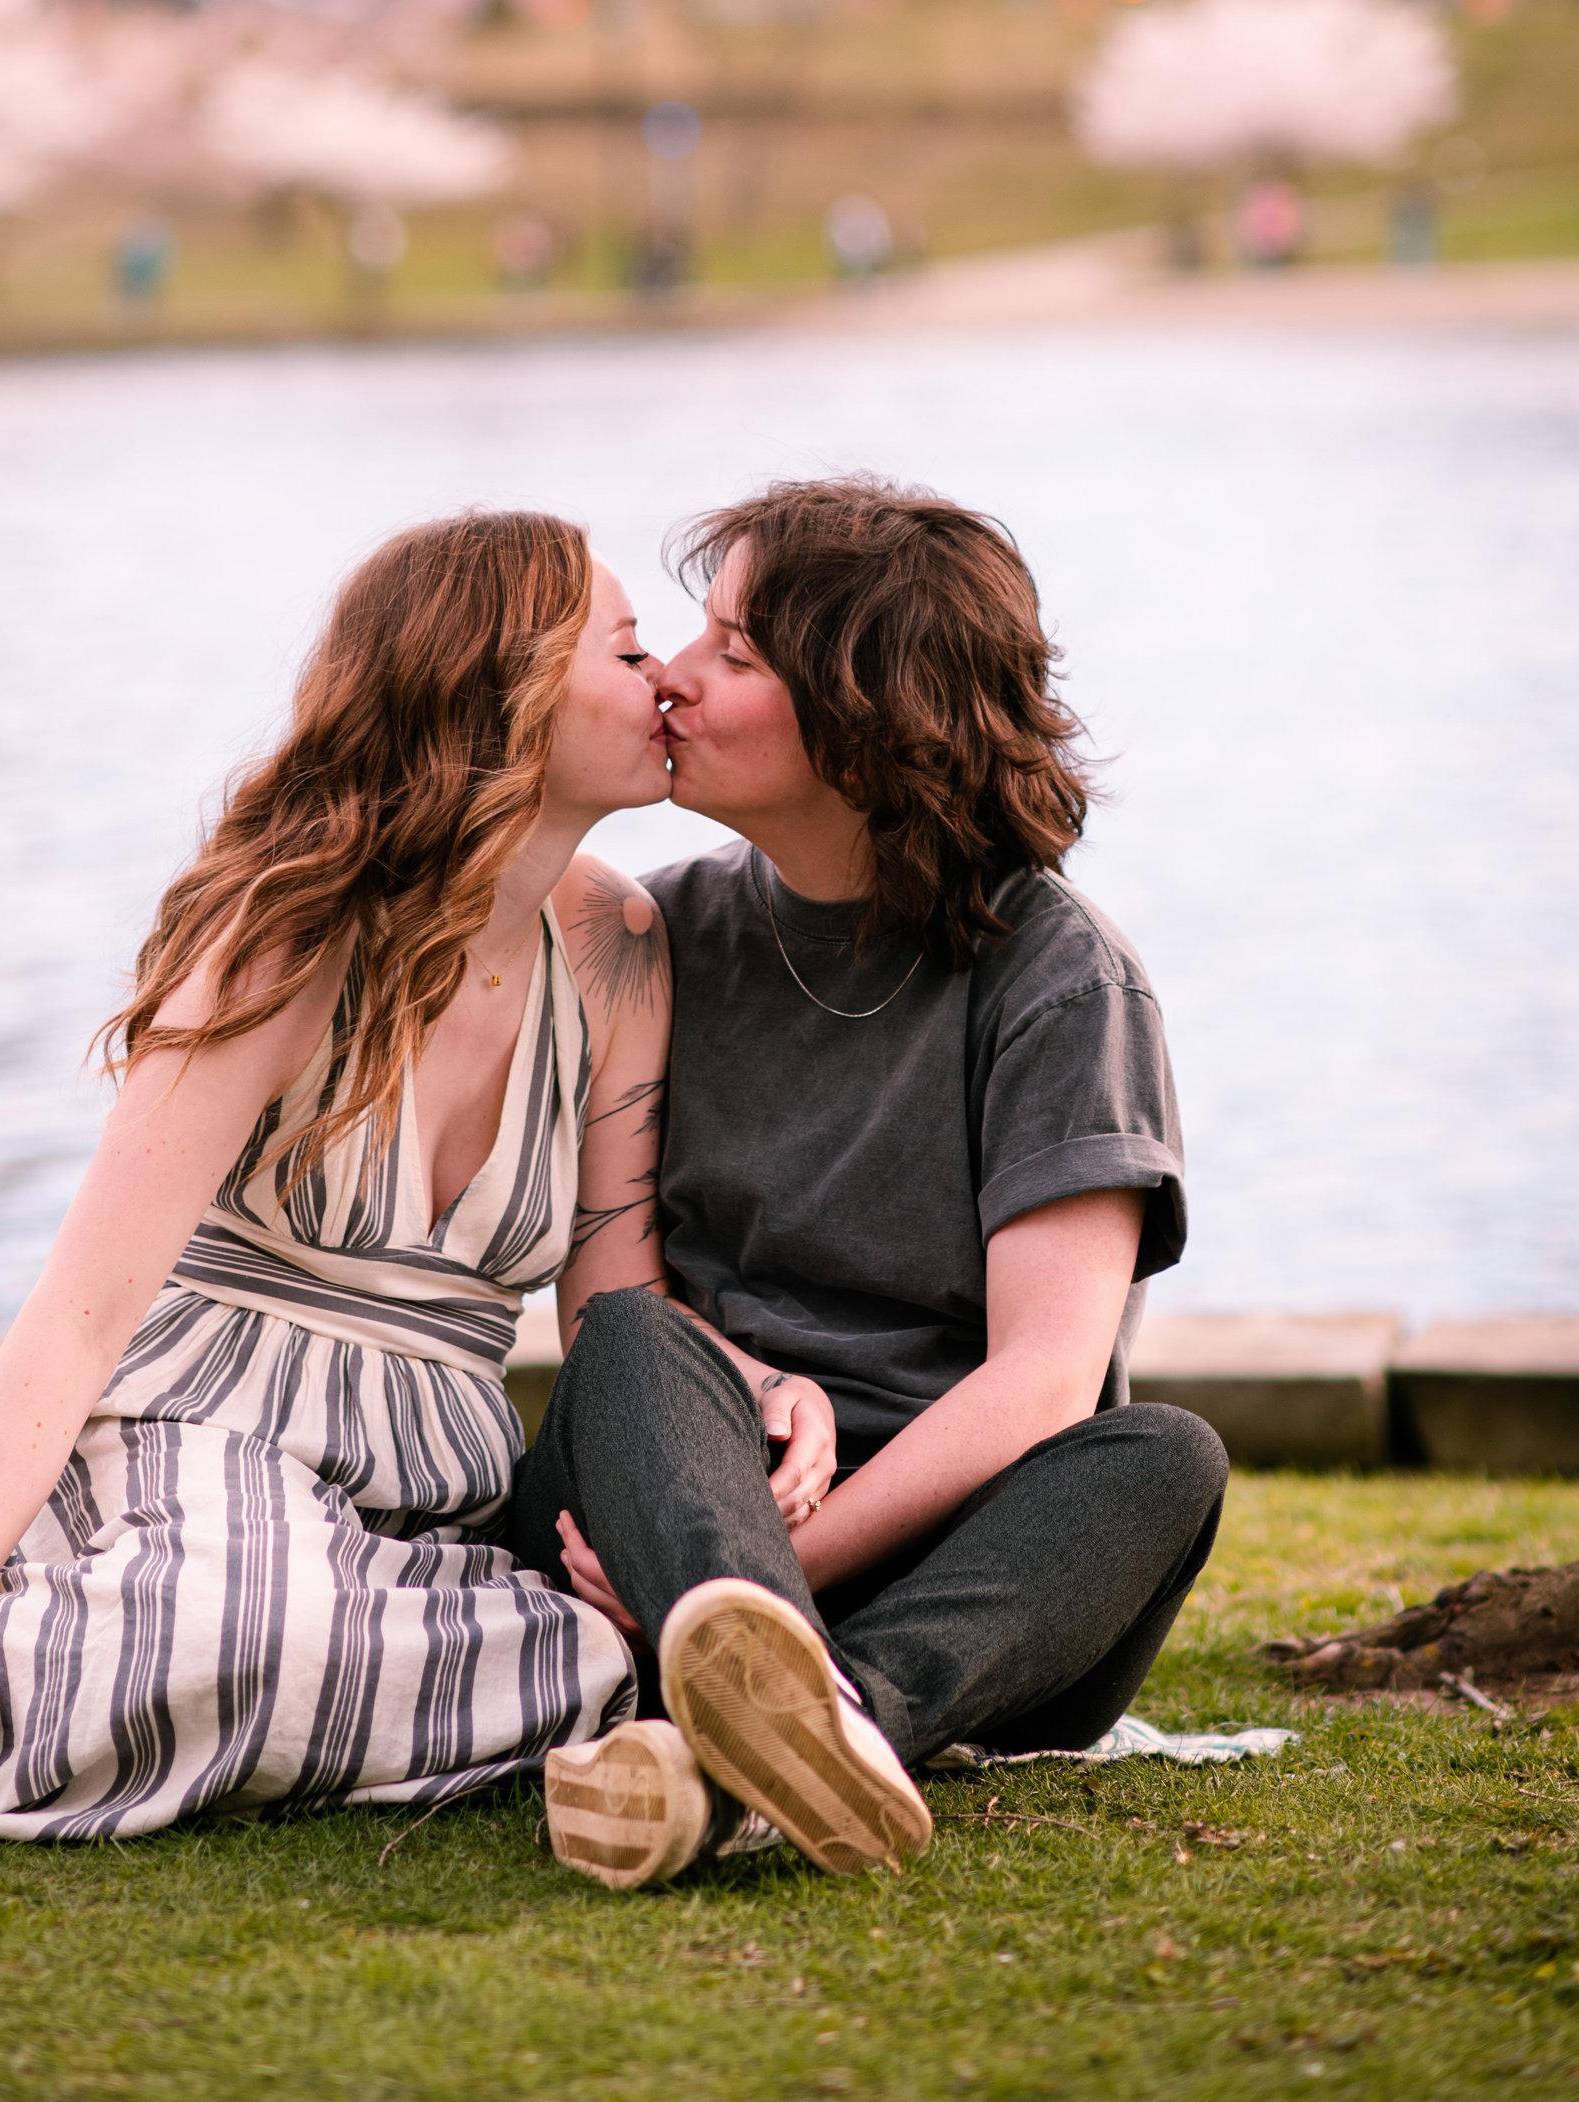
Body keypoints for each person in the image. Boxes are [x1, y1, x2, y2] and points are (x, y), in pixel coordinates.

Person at [0, 512, 677, 1850]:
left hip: (433, 1475)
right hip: (202, 1429)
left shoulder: (619, 949)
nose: (668, 676)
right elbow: (82, 1309)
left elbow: (618, 1309)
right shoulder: (293, 931)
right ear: (508, 688)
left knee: (601, 1650)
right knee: (247, 1619)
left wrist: (659, 1500)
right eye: (629, 650)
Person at [518, 476, 1229, 1890]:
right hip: (698, 1497)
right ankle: (804, 1730)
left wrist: (766, 1594)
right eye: (691, 640)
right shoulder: (667, 935)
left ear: (866, 714)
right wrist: (716, 1513)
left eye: (732, 654)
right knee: (631, 1344)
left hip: (957, 1565)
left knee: (1163, 1461)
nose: (671, 676)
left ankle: (802, 1718)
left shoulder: (1055, 975)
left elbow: (1040, 1379)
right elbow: (623, 1292)